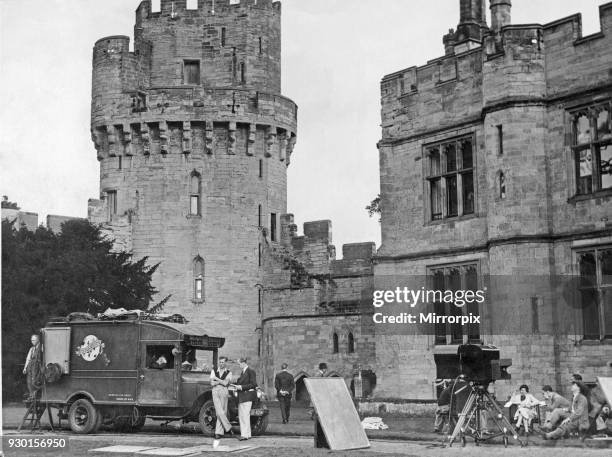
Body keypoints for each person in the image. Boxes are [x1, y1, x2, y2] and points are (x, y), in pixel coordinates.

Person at [233, 357, 257, 441]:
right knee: (242, 416)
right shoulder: (243, 372)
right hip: (242, 397)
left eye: (239, 364)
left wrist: (241, 387)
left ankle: (244, 435)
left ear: (243, 363)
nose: (239, 366)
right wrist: (235, 385)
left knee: (244, 416)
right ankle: (247, 434)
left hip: (247, 396)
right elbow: (240, 382)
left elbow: (254, 384)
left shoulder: (250, 371)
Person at [210, 356, 233, 439]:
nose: (221, 364)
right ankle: (228, 427)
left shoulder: (229, 372)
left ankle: (218, 432)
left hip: (224, 391)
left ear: (225, 363)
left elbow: (226, 383)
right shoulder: (214, 370)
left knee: (223, 411)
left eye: (223, 362)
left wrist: (216, 379)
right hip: (215, 391)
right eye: (220, 362)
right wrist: (221, 382)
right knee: (219, 411)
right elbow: (212, 383)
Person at [23, 334, 43, 400]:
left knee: (35, 381)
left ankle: (37, 395)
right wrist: (25, 368)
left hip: (37, 367)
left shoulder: (42, 348)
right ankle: (32, 395)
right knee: (29, 381)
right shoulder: (31, 349)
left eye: (34, 340)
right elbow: (28, 359)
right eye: (31, 340)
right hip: (31, 366)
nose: (32, 341)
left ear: (38, 340)